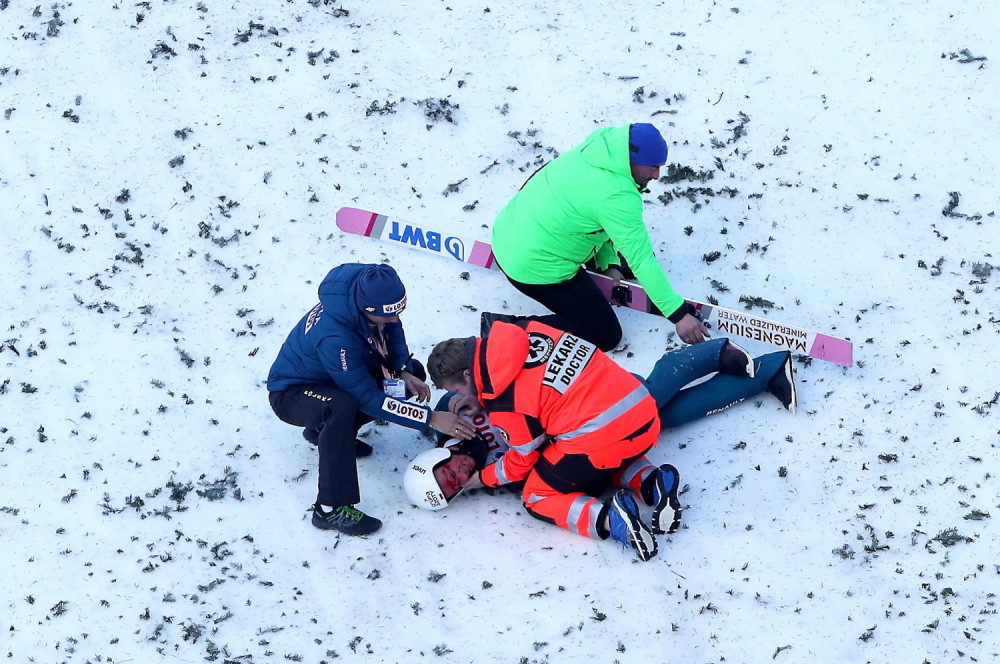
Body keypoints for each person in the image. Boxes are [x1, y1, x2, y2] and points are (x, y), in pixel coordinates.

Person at [405, 325, 797, 560]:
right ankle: (760, 372)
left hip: (603, 414)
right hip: (610, 394)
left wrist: (482, 465)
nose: (459, 476)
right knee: (655, 419)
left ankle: (720, 355)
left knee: (544, 491)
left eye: (448, 473)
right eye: (456, 488)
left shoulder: (457, 415)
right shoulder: (516, 334)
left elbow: (522, 454)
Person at [266, 263, 477, 536]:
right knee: (340, 407)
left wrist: (401, 369)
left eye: (397, 312)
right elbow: (367, 398)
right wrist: (431, 418)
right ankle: (330, 508)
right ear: (365, 309)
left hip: (333, 378)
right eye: (386, 316)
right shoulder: (336, 338)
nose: (394, 319)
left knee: (411, 375)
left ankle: (324, 434)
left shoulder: (369, 288)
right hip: (293, 392)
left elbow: (391, 328)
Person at [491, 122, 708, 352]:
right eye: (652, 167)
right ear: (631, 160)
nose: (656, 175)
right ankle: (508, 329)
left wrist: (608, 262)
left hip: (509, 232)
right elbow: (641, 259)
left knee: (629, 255)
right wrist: (678, 315)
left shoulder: (599, 150)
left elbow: (597, 215)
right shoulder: (616, 196)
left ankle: (601, 263)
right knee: (606, 334)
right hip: (533, 268)